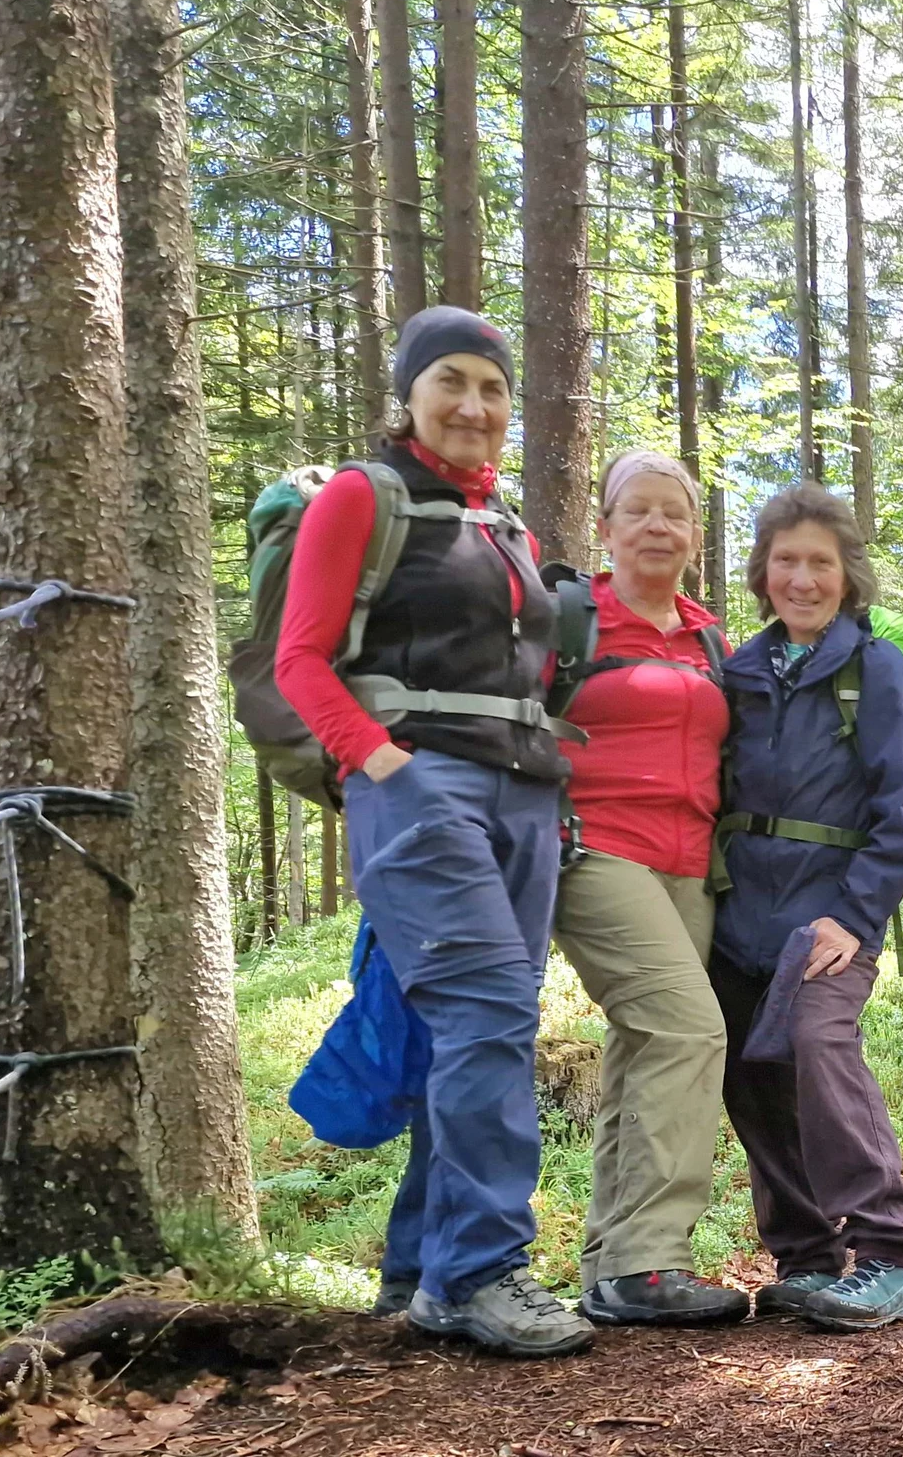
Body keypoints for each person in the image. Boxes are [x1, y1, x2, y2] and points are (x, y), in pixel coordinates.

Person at [275, 306, 594, 1358]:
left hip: (522, 794)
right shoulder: (365, 500)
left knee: (463, 1026)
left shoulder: (506, 526)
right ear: (409, 394)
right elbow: (302, 660)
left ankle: (422, 1264)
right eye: (451, 381)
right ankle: (481, 1273)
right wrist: (385, 767)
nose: (473, 405)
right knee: (491, 1011)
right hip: (422, 790)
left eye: (493, 388)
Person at [709, 484, 903, 1332]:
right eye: (786, 561)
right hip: (737, 917)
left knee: (816, 1041)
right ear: (763, 573)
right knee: (745, 1069)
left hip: (831, 915)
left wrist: (856, 914)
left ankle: (888, 1255)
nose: (802, 579)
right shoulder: (736, 671)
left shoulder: (875, 669)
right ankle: (807, 1257)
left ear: (848, 578)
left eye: (821, 563)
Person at [546, 451, 748, 1327]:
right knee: (689, 1028)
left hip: (691, 862)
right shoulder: (567, 620)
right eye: (640, 511)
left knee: (643, 1046)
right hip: (593, 851)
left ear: (695, 536)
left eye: (675, 513)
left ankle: (611, 1263)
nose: (659, 526)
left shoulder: (710, 638)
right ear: (607, 526)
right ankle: (652, 1260)